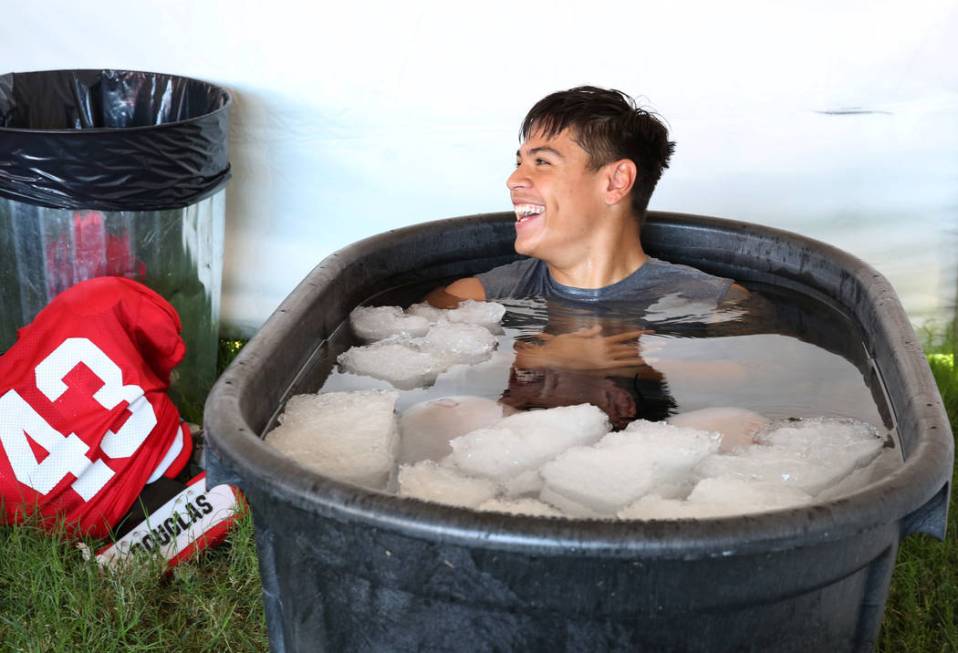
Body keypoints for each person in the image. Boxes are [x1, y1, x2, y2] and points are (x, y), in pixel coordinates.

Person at [425, 87, 748, 426]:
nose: (514, 179)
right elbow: (407, 356)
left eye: (542, 162)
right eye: (519, 162)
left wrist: (625, 365)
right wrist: (543, 357)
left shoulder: (717, 302)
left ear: (615, 182)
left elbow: (777, 376)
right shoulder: (473, 299)